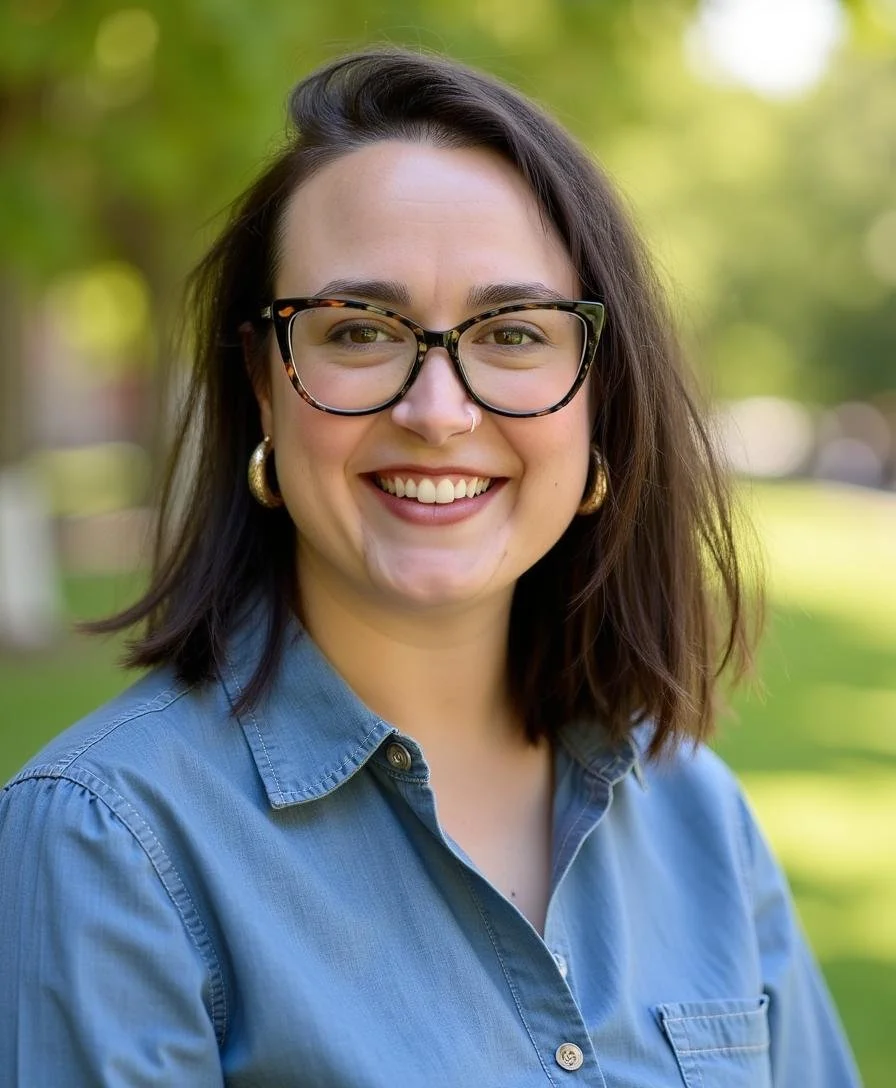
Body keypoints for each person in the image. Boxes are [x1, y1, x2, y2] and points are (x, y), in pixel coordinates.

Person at [0, 47, 860, 1087]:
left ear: (600, 402)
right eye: (358, 329)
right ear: (265, 386)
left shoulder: (695, 815)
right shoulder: (106, 840)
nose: (437, 413)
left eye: (510, 332)